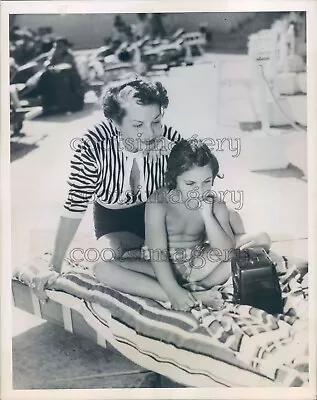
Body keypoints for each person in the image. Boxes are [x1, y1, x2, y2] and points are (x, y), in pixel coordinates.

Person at [31, 78, 182, 299]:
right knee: (101, 262)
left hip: (162, 218)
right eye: (138, 125)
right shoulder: (93, 145)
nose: (150, 133)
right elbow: (75, 203)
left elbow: (198, 185)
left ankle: (173, 282)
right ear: (115, 122)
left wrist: (180, 159)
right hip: (116, 223)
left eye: (156, 121)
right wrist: (54, 265)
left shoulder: (170, 139)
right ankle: (173, 295)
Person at [93, 139, 272, 311]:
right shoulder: (159, 202)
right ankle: (183, 295)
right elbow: (158, 255)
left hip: (199, 264)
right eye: (190, 183)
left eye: (206, 182)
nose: (199, 191)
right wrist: (173, 291)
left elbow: (225, 252)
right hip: (160, 266)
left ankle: (201, 286)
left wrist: (207, 216)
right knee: (102, 268)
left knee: (262, 239)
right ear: (174, 179)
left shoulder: (215, 204)